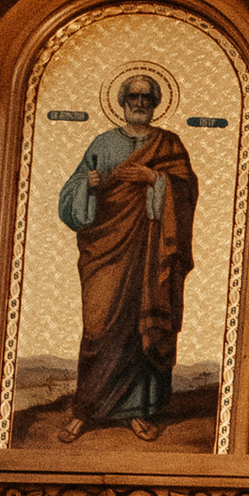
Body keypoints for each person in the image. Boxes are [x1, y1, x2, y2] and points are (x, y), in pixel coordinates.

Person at [56, 69, 197, 441]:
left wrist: (156, 181)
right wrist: (88, 187)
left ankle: (139, 411)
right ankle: (86, 409)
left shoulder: (169, 144)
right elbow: (71, 194)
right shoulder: (102, 144)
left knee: (143, 322)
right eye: (132, 98)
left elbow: (186, 192)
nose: (139, 104)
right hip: (106, 249)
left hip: (150, 250)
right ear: (121, 102)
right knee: (98, 324)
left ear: (154, 105)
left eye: (146, 99)